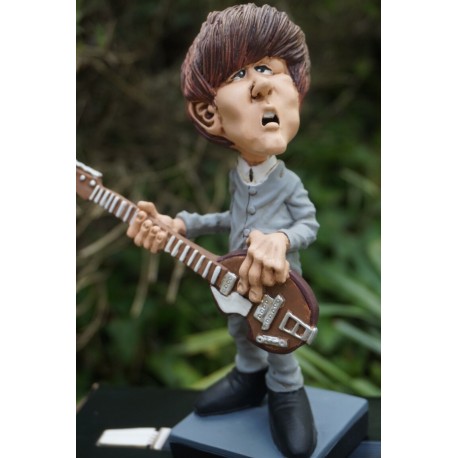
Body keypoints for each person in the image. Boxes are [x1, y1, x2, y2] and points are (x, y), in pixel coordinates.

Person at [127, 4, 319, 457]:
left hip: (278, 288)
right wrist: (181, 224)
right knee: (240, 329)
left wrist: (280, 240)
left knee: (277, 344)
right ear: (210, 115)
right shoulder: (238, 177)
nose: (260, 84)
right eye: (239, 74)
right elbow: (231, 219)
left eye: (268, 68)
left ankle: (286, 391)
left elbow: (309, 224)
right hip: (233, 281)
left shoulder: (287, 183)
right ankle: (249, 378)